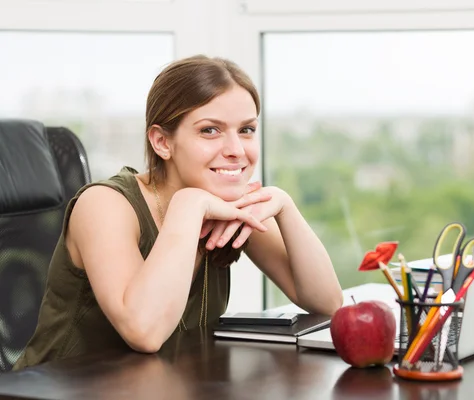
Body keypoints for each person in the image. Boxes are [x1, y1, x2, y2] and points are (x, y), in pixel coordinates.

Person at [13, 55, 343, 370]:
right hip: (53, 392)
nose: (236, 150)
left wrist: (285, 206)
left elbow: (327, 304)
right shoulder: (104, 204)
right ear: (162, 142)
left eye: (246, 129)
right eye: (210, 130)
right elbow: (144, 331)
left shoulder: (230, 202)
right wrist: (189, 206)